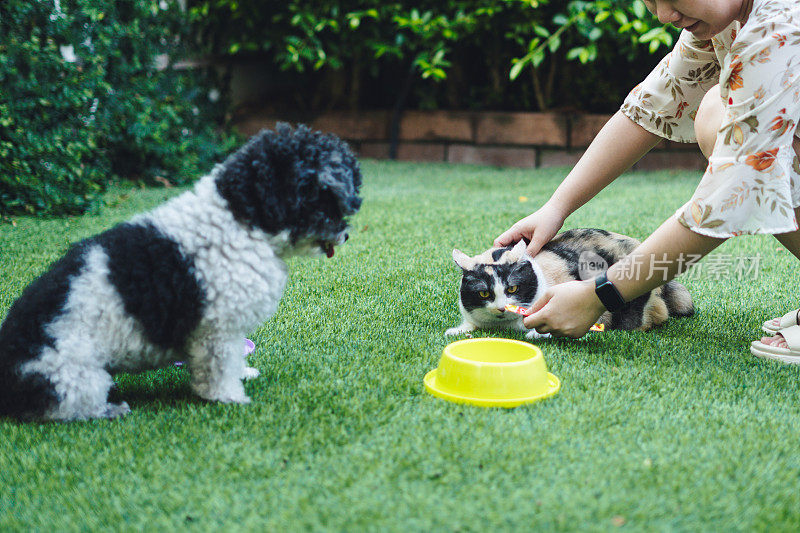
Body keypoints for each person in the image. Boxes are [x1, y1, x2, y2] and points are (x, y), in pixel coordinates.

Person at [493, 0, 800, 359]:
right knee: (717, 114)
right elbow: (655, 103)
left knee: (724, 126)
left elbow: (735, 188)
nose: (664, 15)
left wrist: (600, 295)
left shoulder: (782, 23)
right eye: (651, 1)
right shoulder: (728, 18)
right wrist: (555, 208)